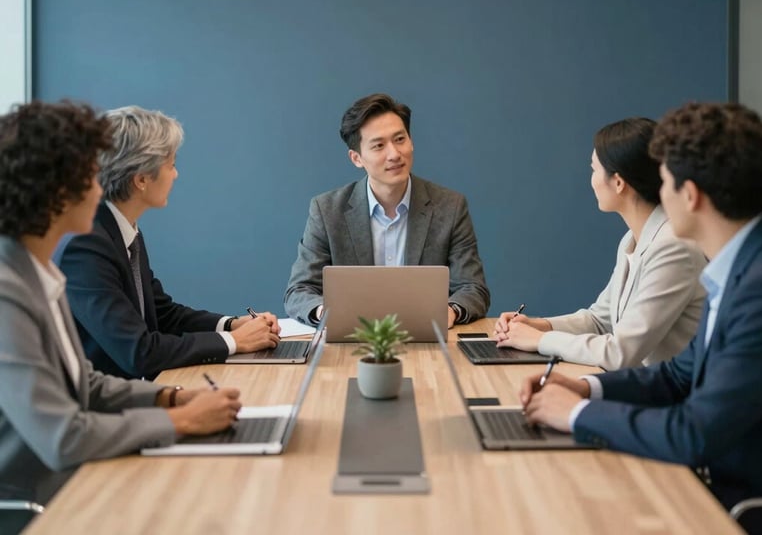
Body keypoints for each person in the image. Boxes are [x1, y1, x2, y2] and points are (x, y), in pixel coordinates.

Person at [521, 102, 762, 522]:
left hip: (733, 502)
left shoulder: (759, 289)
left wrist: (577, 414)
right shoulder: (739, 265)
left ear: (689, 196)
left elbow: (694, 432)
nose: (658, 191)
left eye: (665, 181)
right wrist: (586, 390)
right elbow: (676, 375)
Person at [0, 101, 241, 515]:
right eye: (89, 177)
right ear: (55, 191)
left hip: (74, 467)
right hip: (41, 488)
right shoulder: (8, 292)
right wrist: (180, 422)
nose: (100, 188)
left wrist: (171, 397)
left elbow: (85, 385)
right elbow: (63, 437)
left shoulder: (34, 271)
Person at [59, 106, 280, 380]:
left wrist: (232, 325)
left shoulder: (123, 230)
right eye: (171, 164)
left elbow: (163, 314)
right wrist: (235, 342)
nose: (176, 175)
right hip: (104, 410)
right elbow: (138, 351)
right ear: (141, 179)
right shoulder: (86, 247)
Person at [494, 118, 706, 369]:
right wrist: (539, 325)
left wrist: (541, 340)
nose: (592, 180)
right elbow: (599, 320)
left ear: (618, 182)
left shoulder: (673, 247)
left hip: (670, 398)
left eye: (594, 169)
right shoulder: (632, 239)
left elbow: (621, 354)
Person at [284, 93, 490, 328]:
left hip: (429, 340)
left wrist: (450, 312)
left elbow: (473, 288)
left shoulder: (450, 207)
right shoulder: (327, 211)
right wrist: (327, 313)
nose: (394, 154)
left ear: (411, 141)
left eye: (400, 139)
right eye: (379, 145)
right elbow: (299, 290)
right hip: (354, 341)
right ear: (356, 158)